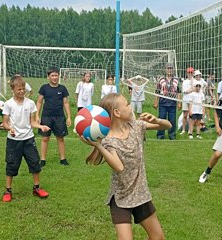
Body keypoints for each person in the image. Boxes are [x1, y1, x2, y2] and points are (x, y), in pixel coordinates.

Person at [80, 93, 170, 240]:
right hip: (121, 198)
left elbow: (168, 125)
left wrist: (157, 120)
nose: (130, 106)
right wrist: (99, 145)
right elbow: (119, 167)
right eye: (127, 104)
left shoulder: (136, 126)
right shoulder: (109, 141)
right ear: (117, 112)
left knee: (158, 237)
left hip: (140, 194)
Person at [1, 75, 50, 202]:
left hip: (29, 139)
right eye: (19, 89)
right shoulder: (8, 104)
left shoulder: (30, 103)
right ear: (13, 89)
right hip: (13, 141)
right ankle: (8, 190)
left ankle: (36, 188)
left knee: (35, 163)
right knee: (11, 165)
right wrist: (9, 129)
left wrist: (41, 126)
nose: (22, 91)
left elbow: (32, 122)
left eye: (23, 89)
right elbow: (5, 122)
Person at [36, 67, 72, 167]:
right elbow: (39, 102)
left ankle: (63, 159)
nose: (54, 77)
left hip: (59, 117)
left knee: (60, 138)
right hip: (46, 117)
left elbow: (66, 103)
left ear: (58, 76)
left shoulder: (62, 88)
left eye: (56, 75)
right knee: (45, 138)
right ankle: (42, 160)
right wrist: (37, 116)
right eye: (52, 75)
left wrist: (69, 117)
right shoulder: (44, 88)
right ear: (48, 77)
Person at [153, 62, 180, 140]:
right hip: (163, 103)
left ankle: (172, 135)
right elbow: (157, 92)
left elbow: (178, 92)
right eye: (168, 68)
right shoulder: (161, 80)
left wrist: (179, 103)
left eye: (171, 68)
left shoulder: (176, 80)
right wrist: (156, 102)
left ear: (173, 70)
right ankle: (160, 135)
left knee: (172, 120)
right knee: (161, 119)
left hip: (172, 103)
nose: (169, 70)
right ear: (165, 69)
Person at [180, 67, 195, 135]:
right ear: (187, 73)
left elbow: (195, 89)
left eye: (191, 72)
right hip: (185, 99)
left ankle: (190, 129)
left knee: (191, 115)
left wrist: (192, 87)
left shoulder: (194, 81)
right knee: (185, 115)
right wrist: (191, 90)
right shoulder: (184, 81)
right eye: (189, 72)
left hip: (192, 100)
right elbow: (184, 91)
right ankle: (183, 129)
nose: (190, 74)